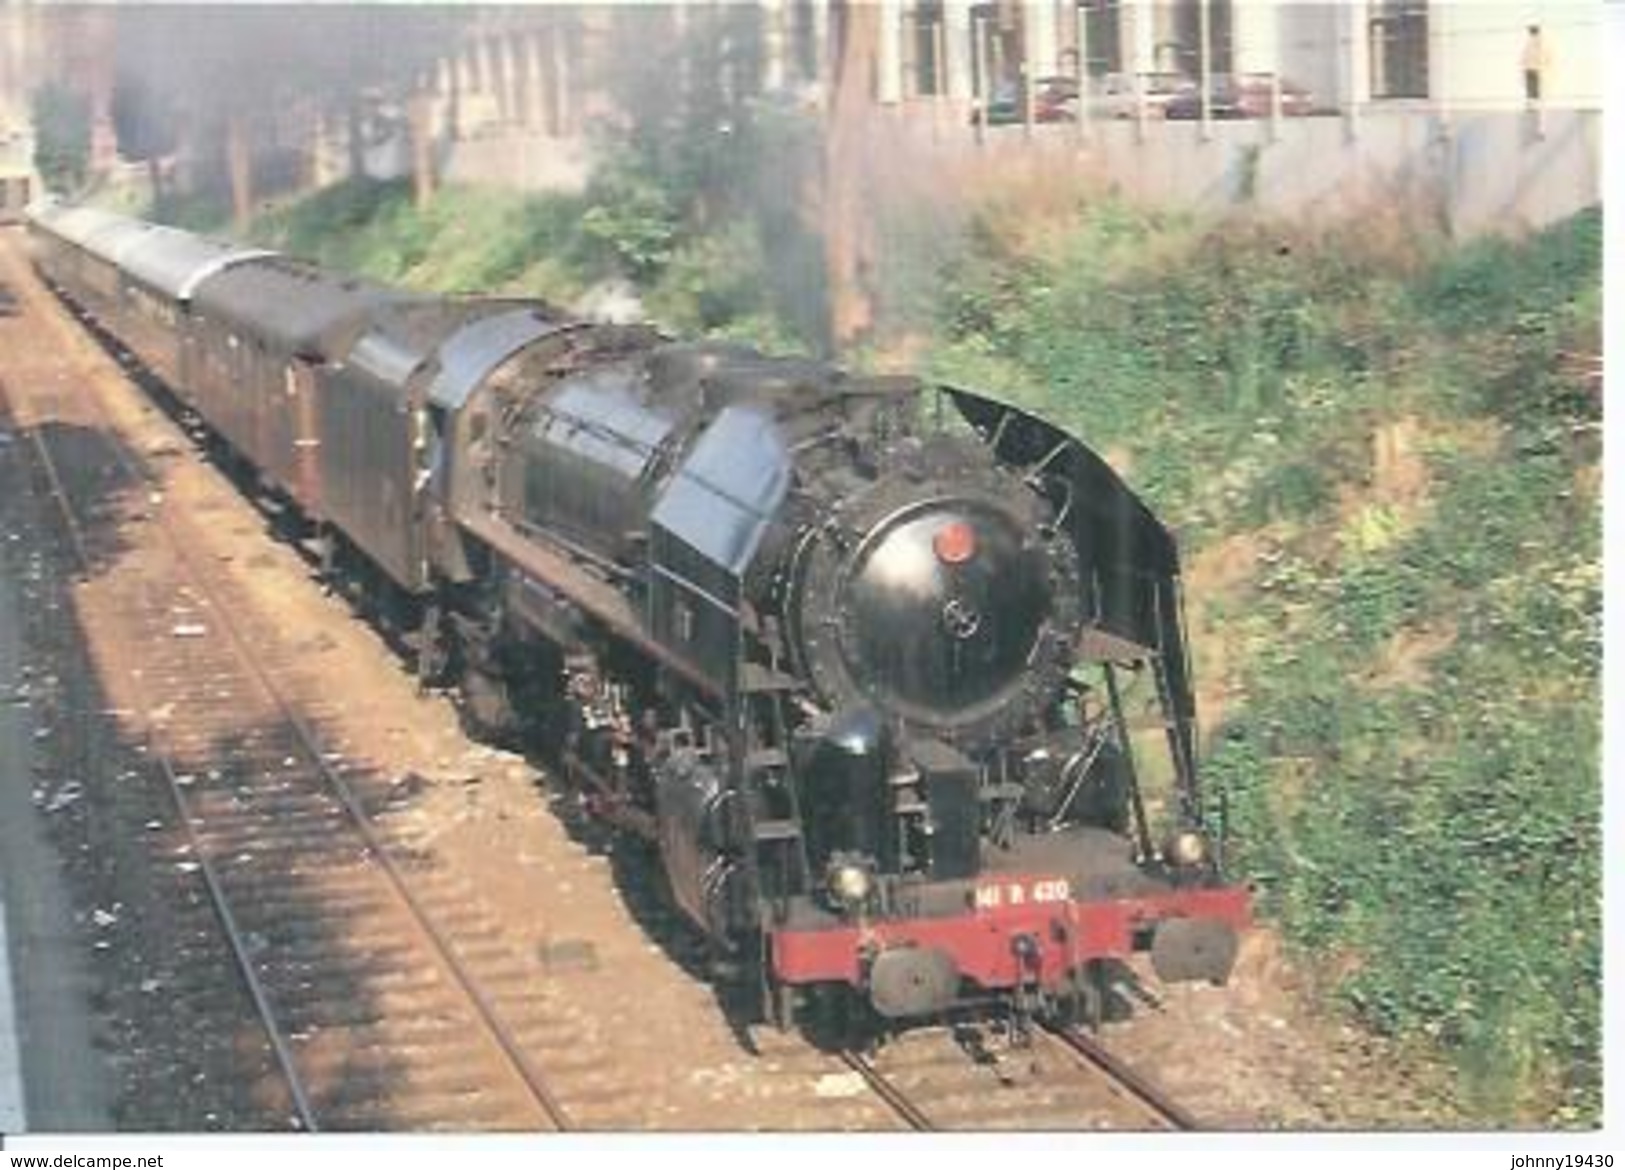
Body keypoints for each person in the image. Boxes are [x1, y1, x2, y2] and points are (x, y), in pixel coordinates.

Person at [1521, 24, 1553, 104]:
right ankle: (1532, 100)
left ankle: (1533, 101)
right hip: (1532, 66)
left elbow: (1545, 53)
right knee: (1532, 84)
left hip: (1534, 66)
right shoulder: (1534, 41)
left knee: (1533, 84)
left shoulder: (1537, 41)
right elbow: (1526, 54)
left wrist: (1546, 63)